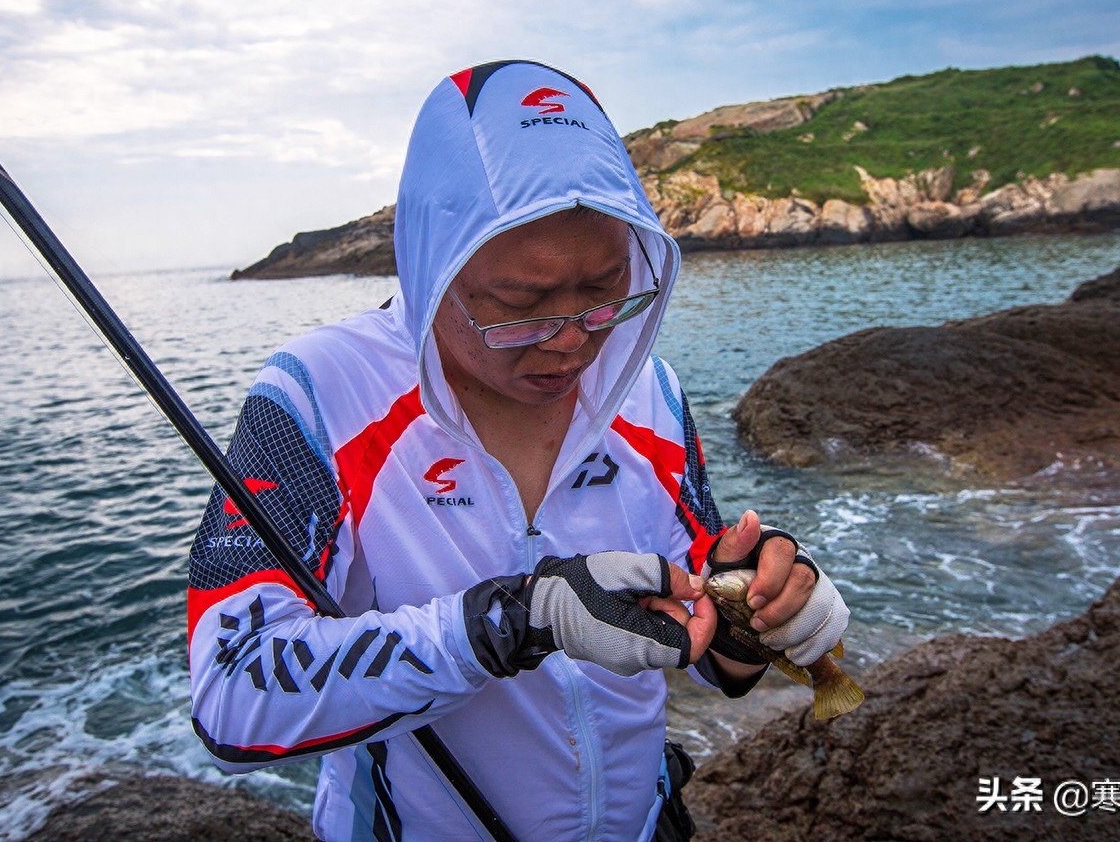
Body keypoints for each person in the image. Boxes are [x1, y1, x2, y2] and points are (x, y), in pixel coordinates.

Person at [187, 60, 849, 841]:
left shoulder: (649, 391)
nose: (572, 341)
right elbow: (233, 692)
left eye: (607, 293)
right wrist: (510, 621)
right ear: (433, 265)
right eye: (520, 307)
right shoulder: (320, 393)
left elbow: (709, 649)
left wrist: (759, 609)